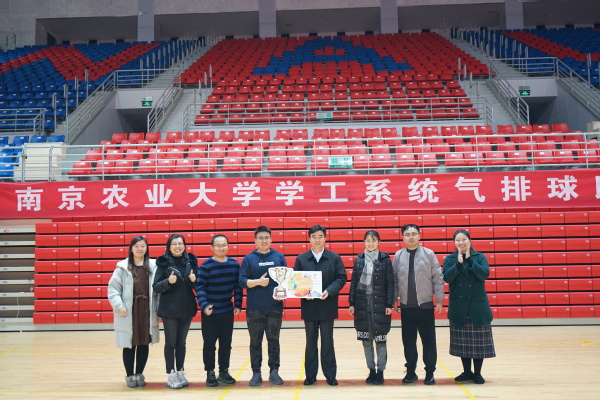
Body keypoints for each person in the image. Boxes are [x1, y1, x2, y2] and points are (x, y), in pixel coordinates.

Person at [294, 225, 347, 386]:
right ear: (309, 239)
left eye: (320, 236)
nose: (317, 240)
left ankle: (330, 375)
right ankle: (310, 376)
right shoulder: (301, 259)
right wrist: (304, 292)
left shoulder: (334, 257)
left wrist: (329, 291)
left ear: (325, 238)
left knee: (327, 341)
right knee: (310, 342)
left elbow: (341, 277)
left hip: (327, 306)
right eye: (314, 237)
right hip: (309, 307)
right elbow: (295, 281)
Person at [392, 224, 444, 385]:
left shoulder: (429, 254)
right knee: (408, 341)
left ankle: (430, 372)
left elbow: (438, 277)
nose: (411, 237)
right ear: (403, 237)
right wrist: (394, 299)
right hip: (406, 306)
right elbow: (394, 279)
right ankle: (411, 371)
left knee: (428, 341)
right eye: (407, 234)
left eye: (414, 234)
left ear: (419, 236)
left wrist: (439, 300)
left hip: (425, 306)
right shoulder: (398, 255)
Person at [443, 229, 496, 385]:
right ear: (454, 243)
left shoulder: (479, 257)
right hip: (459, 307)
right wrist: (458, 264)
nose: (461, 242)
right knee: (463, 343)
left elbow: (484, 274)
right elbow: (447, 277)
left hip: (477, 306)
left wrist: (470, 262)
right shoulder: (450, 259)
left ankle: (477, 373)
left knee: (478, 344)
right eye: (458, 240)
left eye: (464, 239)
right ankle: (467, 372)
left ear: (469, 241)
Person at [108, 236, 159, 388]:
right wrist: (119, 306)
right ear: (131, 249)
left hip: (146, 310)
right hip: (129, 311)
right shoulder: (122, 268)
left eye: (142, 246)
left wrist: (159, 309)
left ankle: (139, 373)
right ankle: (130, 374)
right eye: (136, 246)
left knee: (144, 342)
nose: (139, 249)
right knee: (129, 343)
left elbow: (159, 291)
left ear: (146, 248)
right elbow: (113, 289)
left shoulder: (154, 267)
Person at [239, 226, 287, 386]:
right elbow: (242, 281)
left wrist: (284, 292)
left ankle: (274, 372)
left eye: (267, 237)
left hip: (274, 307)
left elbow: (287, 280)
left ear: (271, 239)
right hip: (254, 308)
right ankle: (256, 373)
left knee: (274, 341)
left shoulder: (279, 257)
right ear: (255, 240)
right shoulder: (248, 259)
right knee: (255, 342)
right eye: (260, 238)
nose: (264, 240)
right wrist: (258, 282)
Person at [195, 234, 242, 387]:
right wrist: (204, 305)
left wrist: (237, 304)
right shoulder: (206, 266)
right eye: (218, 245)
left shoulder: (234, 264)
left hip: (227, 311)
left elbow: (238, 286)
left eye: (224, 245)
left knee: (226, 344)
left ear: (228, 246)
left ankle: (223, 372)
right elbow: (199, 288)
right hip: (210, 312)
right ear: (212, 248)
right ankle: (210, 373)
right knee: (209, 345)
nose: (221, 248)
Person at [153, 233, 198, 389]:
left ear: (184, 245)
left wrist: (195, 281)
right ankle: (171, 373)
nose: (177, 246)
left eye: (180, 243)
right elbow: (156, 286)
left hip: (187, 307)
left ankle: (180, 371)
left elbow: (198, 285)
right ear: (169, 246)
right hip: (169, 309)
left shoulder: (191, 261)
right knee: (171, 342)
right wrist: (168, 281)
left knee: (181, 342)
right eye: (174, 244)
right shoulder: (163, 263)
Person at [348, 230, 394, 385]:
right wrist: (352, 303)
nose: (371, 243)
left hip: (380, 303)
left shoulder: (385, 259)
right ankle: (371, 370)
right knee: (366, 341)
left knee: (380, 340)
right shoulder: (359, 259)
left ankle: (380, 371)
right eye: (368, 240)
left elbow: (390, 283)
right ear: (364, 242)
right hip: (362, 303)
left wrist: (388, 304)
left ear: (379, 242)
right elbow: (354, 283)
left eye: (374, 240)